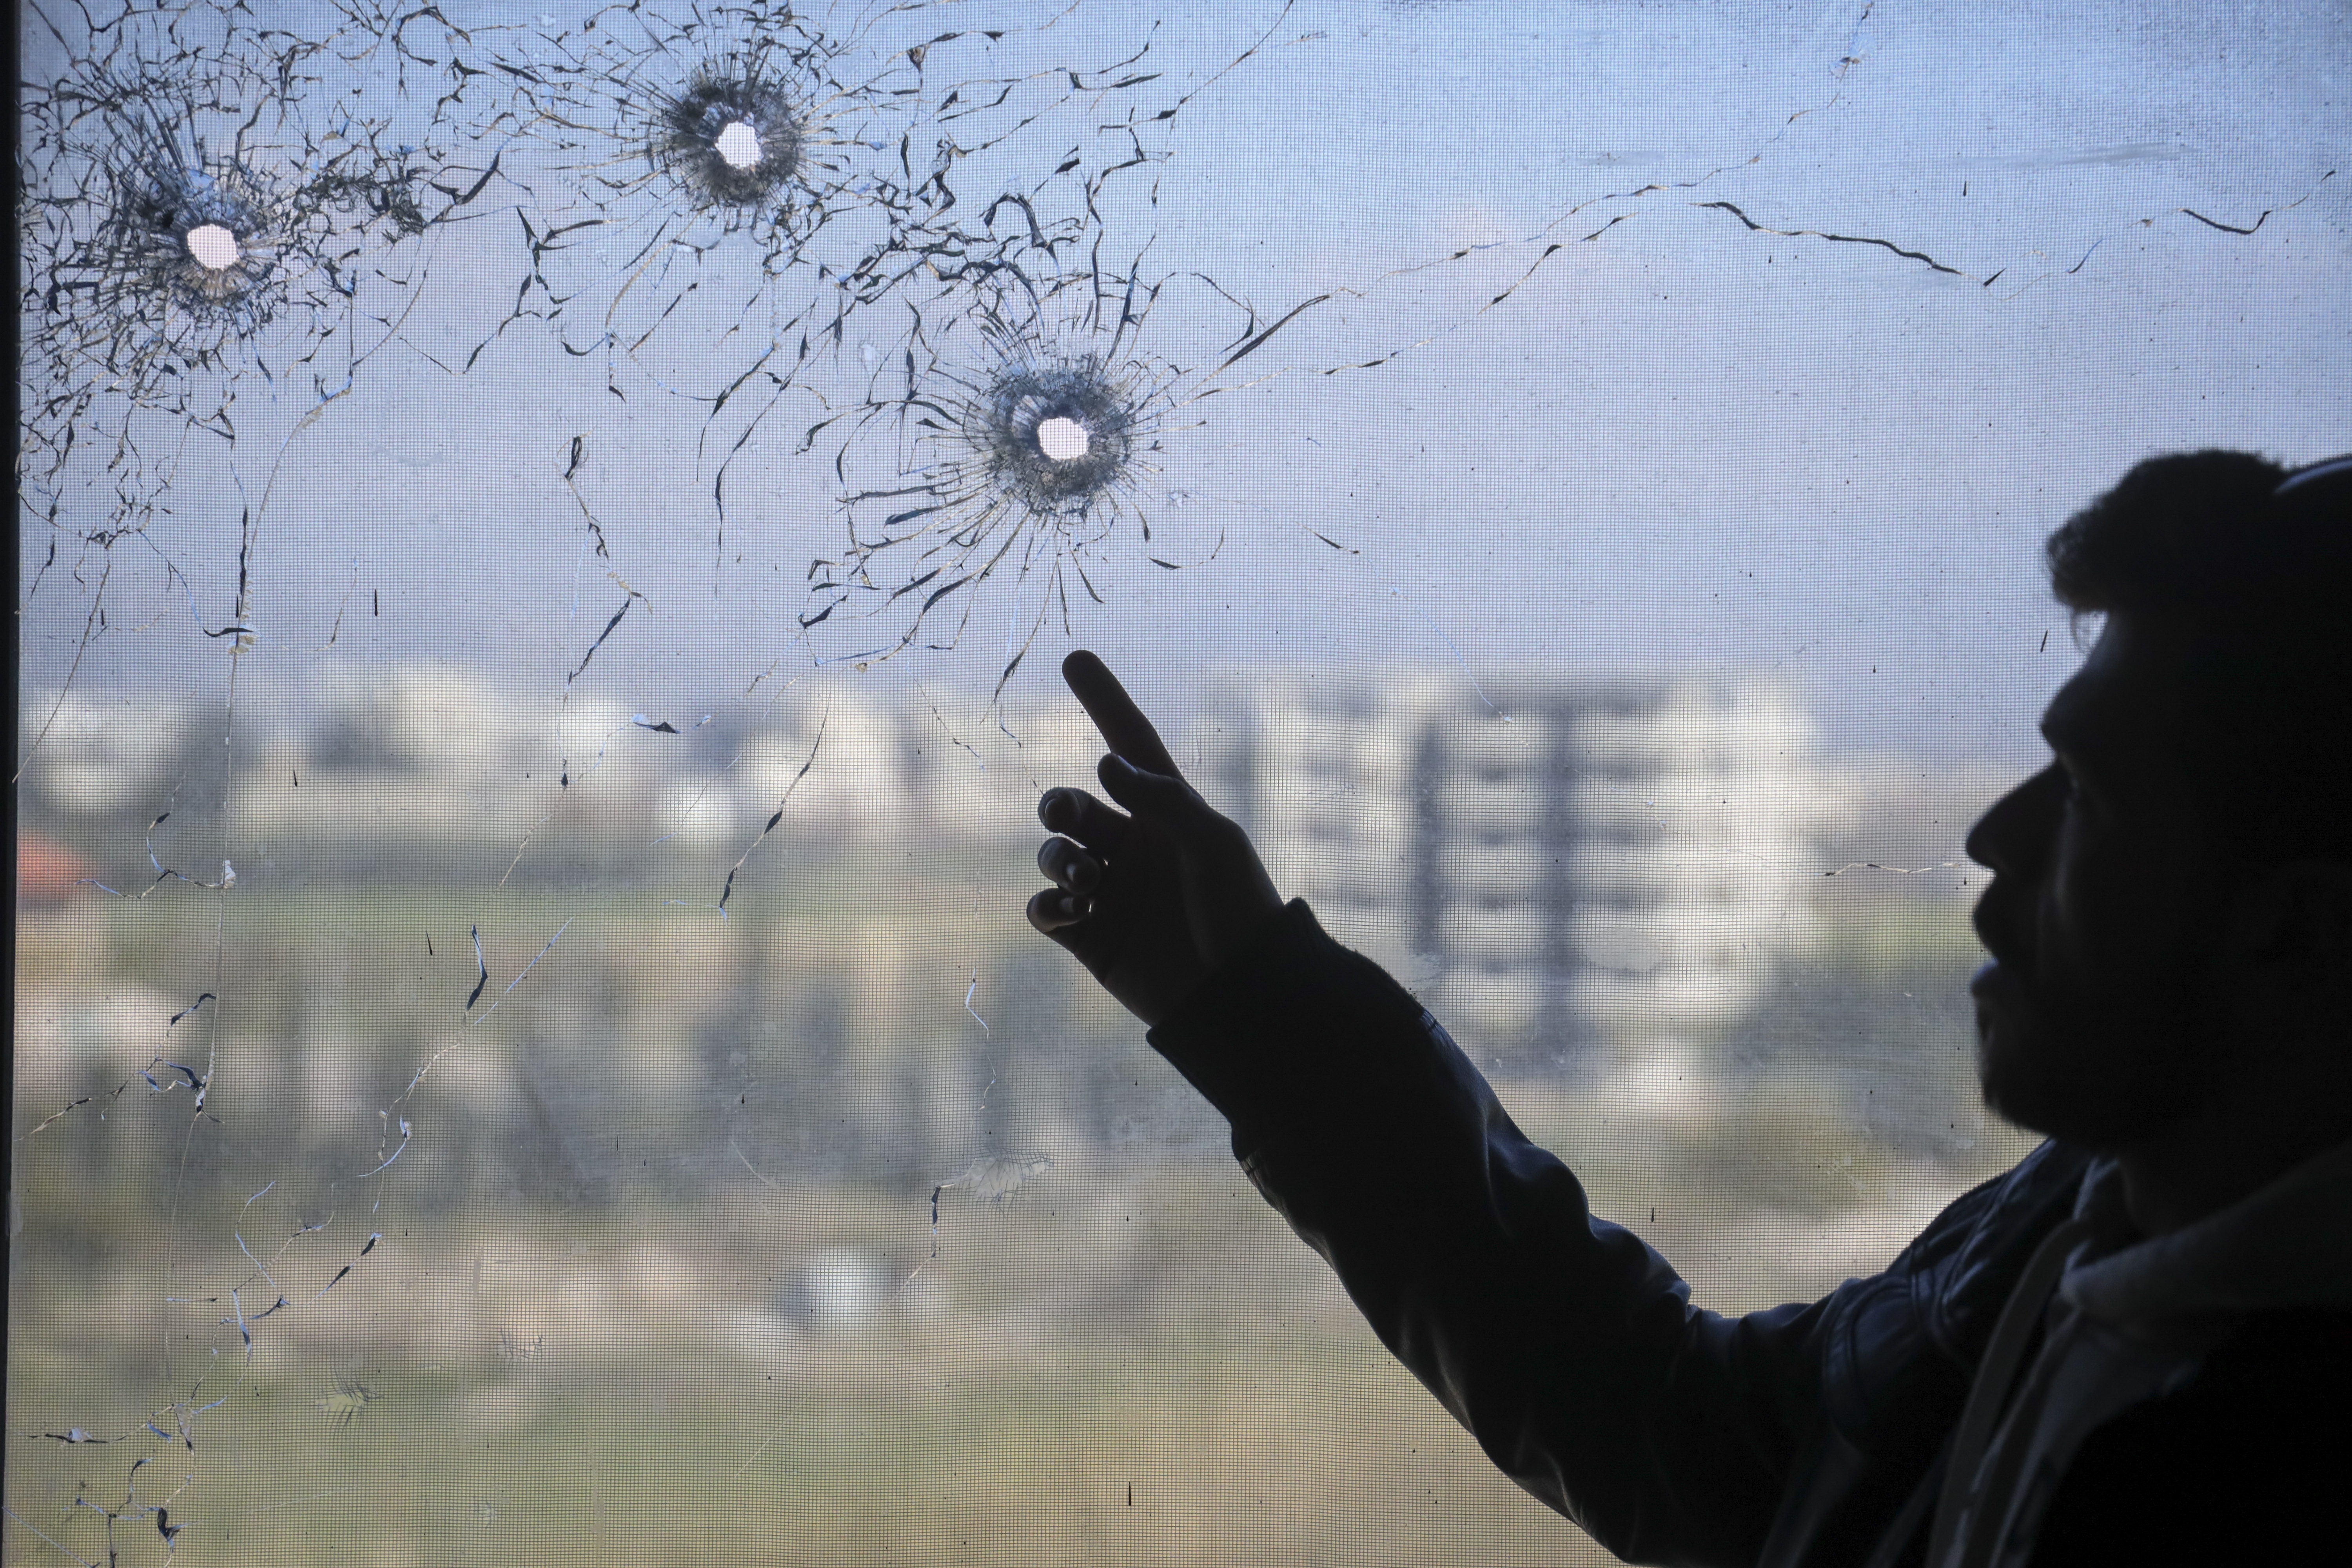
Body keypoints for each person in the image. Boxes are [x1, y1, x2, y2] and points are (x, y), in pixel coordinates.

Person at [1024, 448, 2352, 1568]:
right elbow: (1694, 1438)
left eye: (2094, 794)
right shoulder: (2066, 1233)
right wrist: (1255, 999)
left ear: (2289, 929)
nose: (2000, 833)